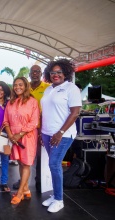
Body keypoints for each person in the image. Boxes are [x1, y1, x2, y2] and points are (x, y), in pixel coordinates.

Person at [41, 59, 81, 213]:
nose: (56, 75)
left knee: (54, 164)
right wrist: (42, 132)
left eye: (59, 72)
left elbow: (75, 113)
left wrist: (60, 132)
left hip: (63, 135)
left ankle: (59, 199)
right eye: (52, 72)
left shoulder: (71, 88)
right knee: (53, 166)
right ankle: (55, 194)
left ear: (65, 73)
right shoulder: (48, 89)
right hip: (47, 133)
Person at [3, 76, 40, 205]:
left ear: (25, 86)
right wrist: (10, 135)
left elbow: (34, 122)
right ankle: (26, 190)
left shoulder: (32, 101)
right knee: (19, 162)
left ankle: (20, 193)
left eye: (20, 85)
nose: (17, 87)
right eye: (15, 85)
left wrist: (20, 134)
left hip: (27, 136)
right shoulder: (10, 102)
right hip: (13, 138)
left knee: (26, 163)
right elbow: (5, 120)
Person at [13, 65, 50, 191]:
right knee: (24, 159)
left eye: (37, 71)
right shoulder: (24, 87)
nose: (35, 73)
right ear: (29, 74)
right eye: (33, 72)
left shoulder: (47, 88)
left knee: (39, 157)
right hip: (25, 130)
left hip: (41, 127)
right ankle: (24, 184)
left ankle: (40, 181)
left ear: (41, 73)